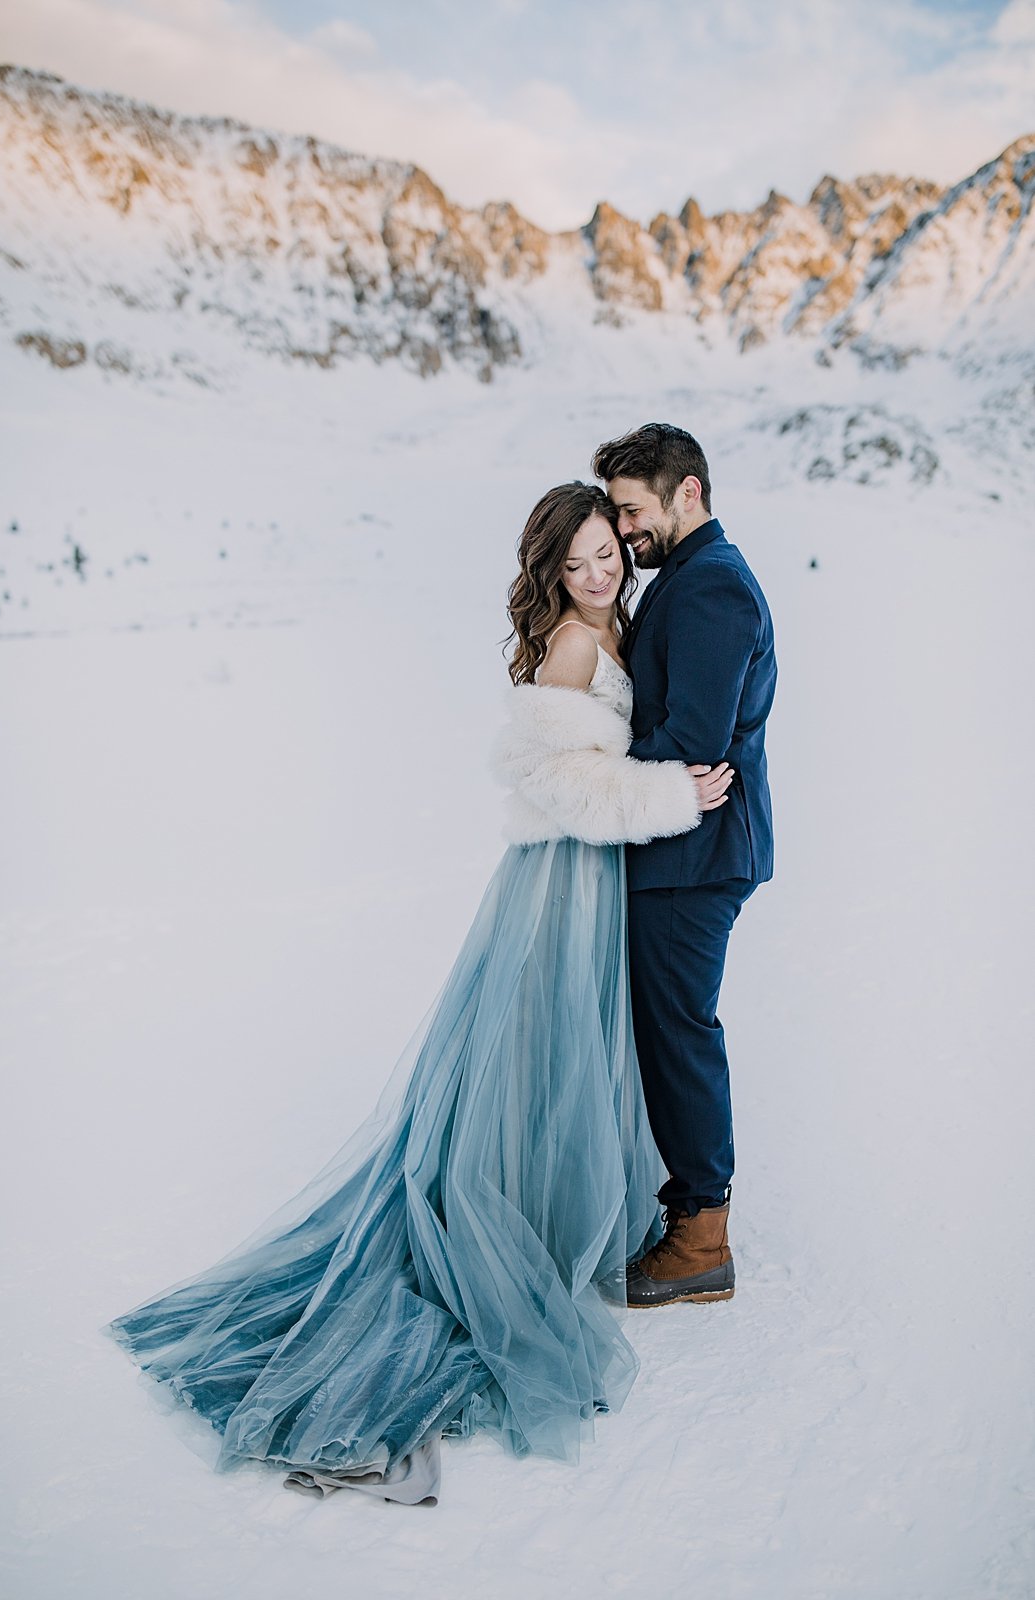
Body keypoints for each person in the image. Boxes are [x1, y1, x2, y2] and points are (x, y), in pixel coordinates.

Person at [102, 481, 732, 1506]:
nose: (593, 573)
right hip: (558, 880)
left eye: (602, 553)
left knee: (566, 1056)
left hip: (587, 879)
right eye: (571, 563)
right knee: (541, 1052)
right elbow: (562, 785)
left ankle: (549, 1210)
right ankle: (506, 1235)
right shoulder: (574, 647)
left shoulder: (613, 620)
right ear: (548, 571)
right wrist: (673, 795)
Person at [591, 425, 777, 1310]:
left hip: (693, 854)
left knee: (678, 1032)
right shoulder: (691, 580)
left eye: (633, 510)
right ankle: (688, 1214)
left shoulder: (710, 588)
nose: (627, 531)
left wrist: (596, 782)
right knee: (670, 1029)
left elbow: (693, 740)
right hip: (681, 846)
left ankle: (701, 1237)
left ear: (687, 493)